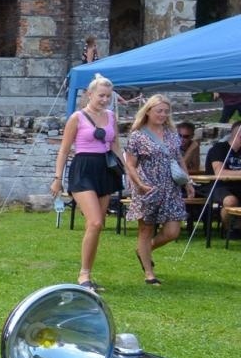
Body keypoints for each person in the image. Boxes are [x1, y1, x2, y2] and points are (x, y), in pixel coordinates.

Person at [50, 75, 130, 289]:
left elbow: (115, 144)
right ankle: (83, 275)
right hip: (83, 168)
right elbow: (64, 150)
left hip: (105, 168)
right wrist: (58, 178)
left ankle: (88, 273)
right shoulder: (77, 117)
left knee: (97, 225)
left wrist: (127, 170)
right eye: (101, 95)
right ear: (89, 94)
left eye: (108, 96)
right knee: (94, 221)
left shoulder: (111, 116)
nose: (104, 100)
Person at [123, 95, 194, 285]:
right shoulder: (137, 136)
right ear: (148, 111)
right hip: (148, 187)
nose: (162, 114)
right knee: (146, 229)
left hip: (171, 188)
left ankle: (144, 250)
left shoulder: (172, 134)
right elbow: (130, 164)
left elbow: (178, 159)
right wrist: (138, 184)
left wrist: (187, 181)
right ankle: (149, 273)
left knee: (172, 232)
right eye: (159, 111)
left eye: (165, 111)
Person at [207, 120, 241, 211]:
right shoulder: (219, 148)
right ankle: (228, 225)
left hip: (238, 186)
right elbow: (220, 173)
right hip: (220, 186)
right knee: (231, 201)